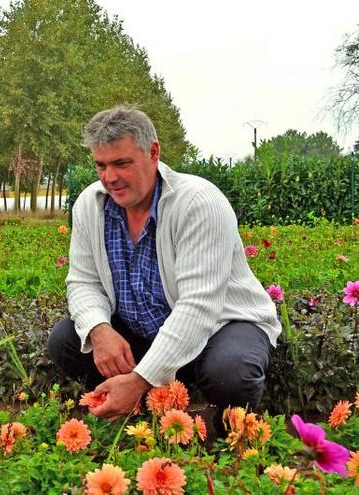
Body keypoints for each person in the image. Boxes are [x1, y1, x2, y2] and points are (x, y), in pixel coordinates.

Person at [48, 106, 281, 421]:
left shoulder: (199, 203)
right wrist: (100, 330)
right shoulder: (91, 205)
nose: (109, 178)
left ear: (153, 152)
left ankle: (233, 437)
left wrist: (140, 378)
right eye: (100, 165)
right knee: (66, 340)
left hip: (221, 326)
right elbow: (83, 282)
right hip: (148, 333)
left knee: (230, 372)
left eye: (121, 163)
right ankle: (134, 410)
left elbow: (199, 306)